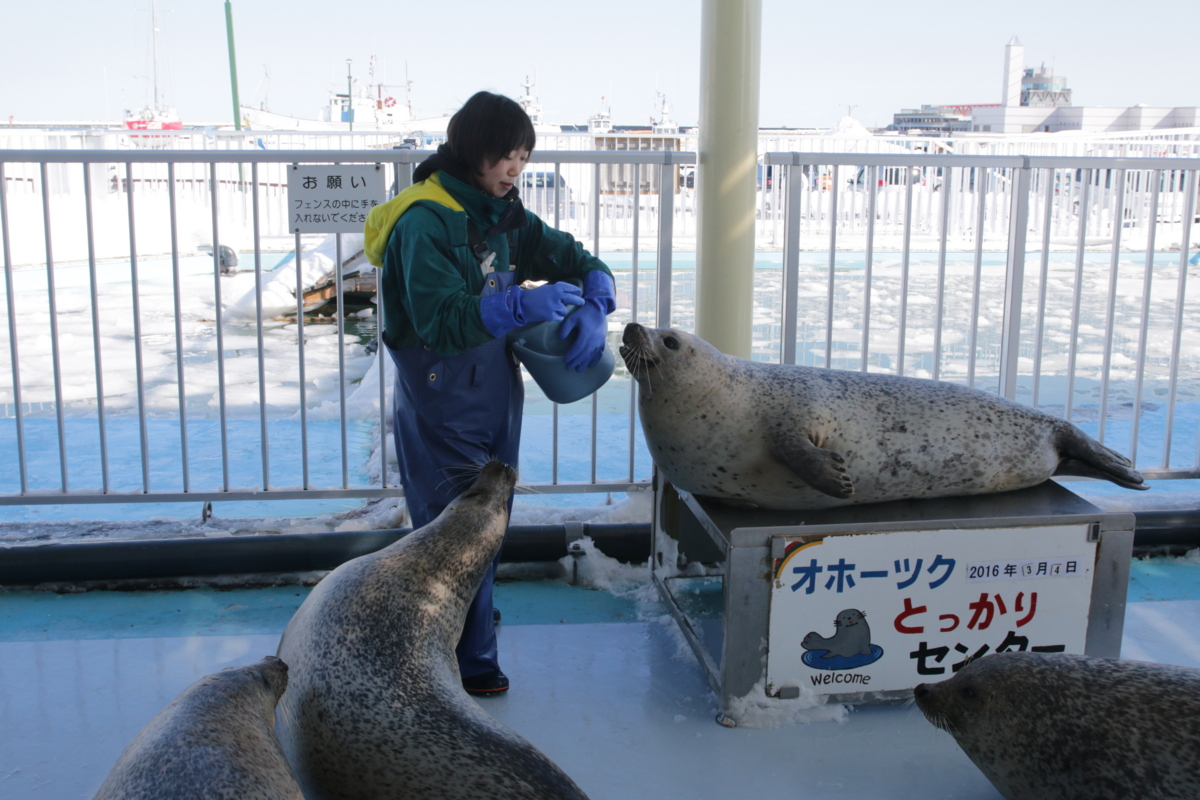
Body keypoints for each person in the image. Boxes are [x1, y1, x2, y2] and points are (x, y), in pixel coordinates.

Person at [363, 91, 615, 696]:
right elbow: (440, 321)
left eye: (523, 157)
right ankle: (466, 660)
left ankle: (466, 617)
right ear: (473, 151)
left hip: (495, 389)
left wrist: (597, 299)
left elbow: (570, 255)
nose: (516, 170)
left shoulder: (501, 213)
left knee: (491, 517)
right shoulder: (424, 222)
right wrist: (519, 303)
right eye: (506, 156)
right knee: (455, 526)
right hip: (442, 388)